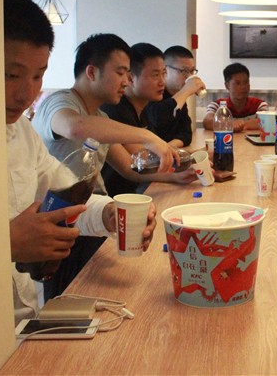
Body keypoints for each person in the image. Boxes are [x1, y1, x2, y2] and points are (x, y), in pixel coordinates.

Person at [3, 0, 156, 324]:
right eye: (11, 75)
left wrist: (109, 215)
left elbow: (65, 193)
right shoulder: (59, 104)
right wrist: (6, 242)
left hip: (25, 316)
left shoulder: (20, 132)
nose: (26, 93)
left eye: (38, 75)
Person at [32, 33, 175, 300]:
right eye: (120, 73)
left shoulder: (101, 118)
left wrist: (178, 176)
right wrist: (147, 136)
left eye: (128, 74)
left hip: (94, 221)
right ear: (91, 72)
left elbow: (129, 167)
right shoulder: (59, 102)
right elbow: (74, 126)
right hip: (60, 233)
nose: (126, 81)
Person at [101, 43, 198, 197]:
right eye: (155, 75)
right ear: (131, 78)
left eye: (163, 74)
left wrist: (194, 157)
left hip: (139, 188)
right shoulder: (114, 110)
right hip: (118, 197)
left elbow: (175, 140)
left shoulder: (143, 108)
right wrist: (183, 166)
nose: (162, 81)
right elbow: (143, 161)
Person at [144, 45, 206, 149]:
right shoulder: (152, 92)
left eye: (192, 71)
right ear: (165, 70)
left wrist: (167, 149)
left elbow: (186, 133)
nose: (189, 76)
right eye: (184, 71)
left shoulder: (178, 97)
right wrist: (186, 91)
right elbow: (158, 120)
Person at [203, 62, 267, 132]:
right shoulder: (217, 105)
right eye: (237, 83)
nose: (243, 87)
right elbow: (207, 121)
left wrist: (238, 125)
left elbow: (265, 121)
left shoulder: (259, 104)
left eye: (246, 82)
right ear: (227, 85)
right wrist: (231, 124)